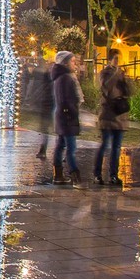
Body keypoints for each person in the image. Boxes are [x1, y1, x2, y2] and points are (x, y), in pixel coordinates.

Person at [93, 49, 132, 187]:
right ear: (110, 59)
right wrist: (116, 74)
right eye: (115, 58)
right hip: (108, 114)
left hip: (120, 115)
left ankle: (113, 175)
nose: (118, 61)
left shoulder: (122, 73)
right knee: (104, 145)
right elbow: (106, 88)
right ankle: (97, 174)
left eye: (119, 58)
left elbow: (130, 92)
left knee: (116, 147)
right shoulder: (105, 73)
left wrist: (126, 79)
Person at [50, 50, 82, 186]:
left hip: (62, 117)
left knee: (60, 145)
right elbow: (66, 99)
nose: (75, 64)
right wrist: (72, 113)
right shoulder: (66, 78)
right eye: (72, 61)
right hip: (67, 118)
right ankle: (75, 177)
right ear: (65, 63)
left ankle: (58, 175)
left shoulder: (60, 77)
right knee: (71, 148)